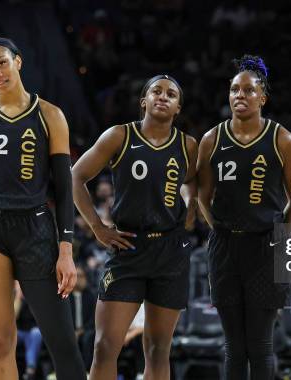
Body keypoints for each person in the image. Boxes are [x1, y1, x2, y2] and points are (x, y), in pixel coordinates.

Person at [0, 37, 86, 380]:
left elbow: (65, 190)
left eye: (1, 63)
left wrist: (66, 249)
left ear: (18, 62)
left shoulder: (50, 116)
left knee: (63, 344)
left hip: (36, 230)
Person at [72, 74, 197, 380]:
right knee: (104, 346)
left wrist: (191, 213)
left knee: (157, 349)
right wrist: (98, 228)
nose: (163, 96)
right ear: (144, 101)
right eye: (156, 91)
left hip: (169, 250)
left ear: (178, 107)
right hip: (127, 248)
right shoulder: (119, 135)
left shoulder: (189, 145)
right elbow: (75, 176)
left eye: (171, 93)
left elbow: (196, 182)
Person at [197, 55, 291, 379]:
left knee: (260, 344)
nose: (240, 96)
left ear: (263, 98)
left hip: (266, 248)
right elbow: (202, 196)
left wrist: (280, 234)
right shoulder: (212, 139)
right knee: (234, 347)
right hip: (225, 247)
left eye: (248, 90)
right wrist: (220, 230)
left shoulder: (283, 139)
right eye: (234, 90)